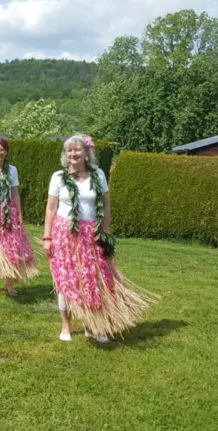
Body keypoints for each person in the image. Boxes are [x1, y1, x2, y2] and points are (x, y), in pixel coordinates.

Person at [42, 134, 156, 343]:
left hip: (92, 234)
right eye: (70, 150)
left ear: (87, 153)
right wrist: (47, 237)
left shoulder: (98, 175)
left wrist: (104, 233)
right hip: (65, 233)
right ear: (66, 155)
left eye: (78, 150)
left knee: (92, 279)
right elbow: (50, 209)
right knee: (67, 279)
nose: (74, 154)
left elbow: (106, 207)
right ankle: (66, 325)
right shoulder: (58, 177)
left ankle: (91, 326)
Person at [0, 137, 38, 296]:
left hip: (8, 213)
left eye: (2, 149)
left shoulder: (12, 170)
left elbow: (15, 193)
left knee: (10, 248)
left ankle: (9, 284)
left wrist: (19, 214)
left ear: (6, 152)